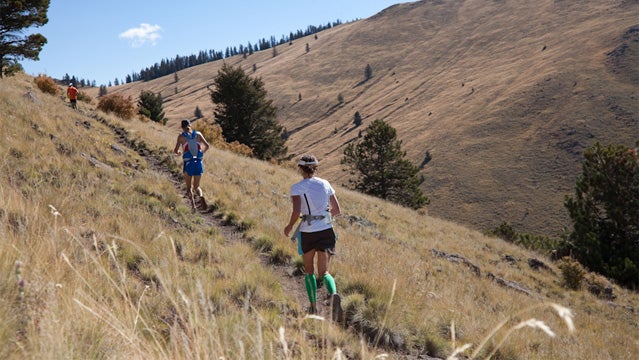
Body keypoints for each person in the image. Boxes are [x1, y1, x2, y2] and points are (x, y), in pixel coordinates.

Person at [284, 154, 343, 321]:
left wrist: (289, 226)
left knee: (309, 271)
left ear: (301, 168)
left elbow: (296, 211)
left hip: (308, 232)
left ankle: (313, 306)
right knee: (324, 272)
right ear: (315, 168)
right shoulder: (325, 184)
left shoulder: (297, 188)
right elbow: (337, 210)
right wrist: (323, 218)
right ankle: (333, 294)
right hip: (326, 230)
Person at [173, 119, 211, 212]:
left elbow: (175, 150)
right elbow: (207, 146)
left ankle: (193, 207)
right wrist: (201, 152)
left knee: (189, 187)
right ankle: (201, 196)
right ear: (190, 125)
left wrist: (179, 153)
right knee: (197, 186)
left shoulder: (181, 137)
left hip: (188, 163)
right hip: (198, 162)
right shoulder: (198, 134)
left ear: (182, 127)